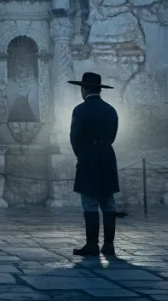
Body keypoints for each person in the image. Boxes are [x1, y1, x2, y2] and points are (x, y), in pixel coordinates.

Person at [68, 72, 121, 257]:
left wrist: (82, 154)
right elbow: (112, 136)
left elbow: (74, 138)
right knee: (108, 202)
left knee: (89, 202)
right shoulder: (110, 110)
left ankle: (92, 244)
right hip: (107, 156)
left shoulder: (80, 110)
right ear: (98, 89)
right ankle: (109, 245)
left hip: (88, 157)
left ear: (84, 89)